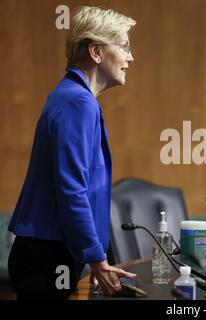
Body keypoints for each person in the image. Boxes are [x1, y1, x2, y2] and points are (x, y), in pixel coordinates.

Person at [7, 6, 137, 300]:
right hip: (47, 257)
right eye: (125, 46)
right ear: (96, 51)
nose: (131, 58)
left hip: (49, 254)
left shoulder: (70, 96)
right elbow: (72, 190)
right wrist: (97, 259)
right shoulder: (79, 103)